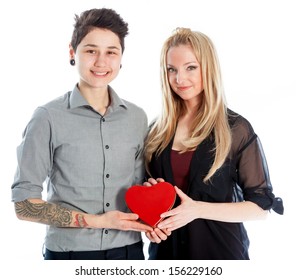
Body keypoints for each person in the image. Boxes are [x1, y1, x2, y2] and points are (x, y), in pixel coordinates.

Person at [11, 8, 153, 260]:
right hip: (69, 256)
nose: (101, 62)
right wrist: (96, 221)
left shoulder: (137, 117)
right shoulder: (47, 117)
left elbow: (138, 188)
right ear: (72, 52)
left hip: (129, 253)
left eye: (111, 52)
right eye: (91, 50)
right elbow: (24, 206)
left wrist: (154, 203)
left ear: (121, 57)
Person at [144, 27, 284, 260]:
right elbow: (147, 199)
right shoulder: (156, 131)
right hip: (165, 257)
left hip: (221, 256)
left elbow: (260, 208)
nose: (179, 79)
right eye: (171, 70)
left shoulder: (235, 129)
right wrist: (151, 224)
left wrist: (197, 209)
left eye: (190, 67)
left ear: (208, 68)